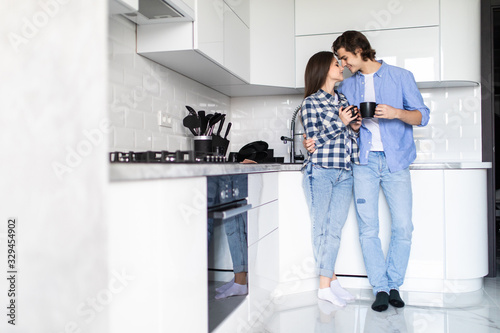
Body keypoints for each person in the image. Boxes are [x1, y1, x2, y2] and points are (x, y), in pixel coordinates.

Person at [304, 31, 430, 312]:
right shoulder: (347, 88)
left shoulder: (401, 76)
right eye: (339, 60)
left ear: (360, 49)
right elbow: (336, 122)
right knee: (368, 228)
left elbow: (423, 116)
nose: (344, 63)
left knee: (402, 226)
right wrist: (312, 138)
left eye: (345, 57)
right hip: (363, 163)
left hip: (396, 161)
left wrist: (397, 113)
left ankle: (394, 283)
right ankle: (380, 288)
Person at [301, 51, 361, 307]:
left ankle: (331, 281)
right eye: (336, 64)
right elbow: (313, 143)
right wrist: (340, 121)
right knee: (322, 229)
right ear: (323, 69)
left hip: (345, 170)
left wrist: (355, 127)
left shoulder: (343, 98)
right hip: (321, 170)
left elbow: (349, 137)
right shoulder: (310, 103)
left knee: (334, 230)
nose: (341, 67)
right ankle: (325, 286)